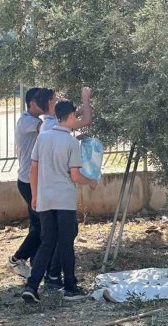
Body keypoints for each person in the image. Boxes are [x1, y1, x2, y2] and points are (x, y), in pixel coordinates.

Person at [22, 100, 99, 303]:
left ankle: (32, 285)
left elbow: (33, 169)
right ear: (72, 116)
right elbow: (75, 176)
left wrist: (35, 196)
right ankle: (70, 287)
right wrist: (91, 181)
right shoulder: (71, 143)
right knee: (65, 244)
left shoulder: (43, 137)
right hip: (64, 199)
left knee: (47, 243)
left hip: (45, 198)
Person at [6, 87, 43, 278]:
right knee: (41, 226)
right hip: (29, 182)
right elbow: (50, 129)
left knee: (37, 224)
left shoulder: (36, 121)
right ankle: (16, 259)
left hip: (33, 180)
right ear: (32, 103)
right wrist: (58, 111)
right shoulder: (28, 121)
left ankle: (35, 264)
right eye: (43, 100)